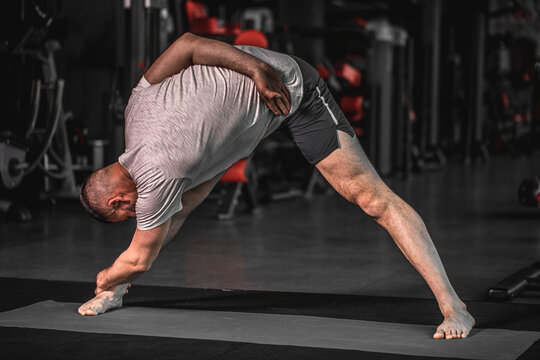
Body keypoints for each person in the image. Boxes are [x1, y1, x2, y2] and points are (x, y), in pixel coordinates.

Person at [78, 32, 474, 340]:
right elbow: (186, 45)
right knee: (175, 210)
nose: (136, 214)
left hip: (292, 94)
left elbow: (138, 258)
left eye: (127, 213)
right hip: (237, 126)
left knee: (372, 199)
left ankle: (455, 307)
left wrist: (105, 277)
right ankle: (118, 292)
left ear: (117, 199)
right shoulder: (136, 107)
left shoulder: (158, 173)